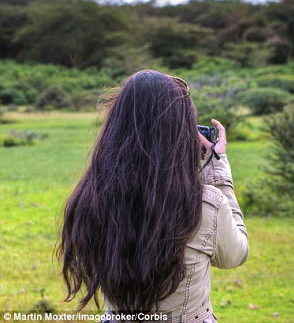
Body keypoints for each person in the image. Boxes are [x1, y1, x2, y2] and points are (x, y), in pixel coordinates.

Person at [57, 69, 248, 323]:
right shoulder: (203, 203)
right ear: (180, 133)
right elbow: (236, 254)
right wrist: (217, 169)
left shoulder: (90, 196)